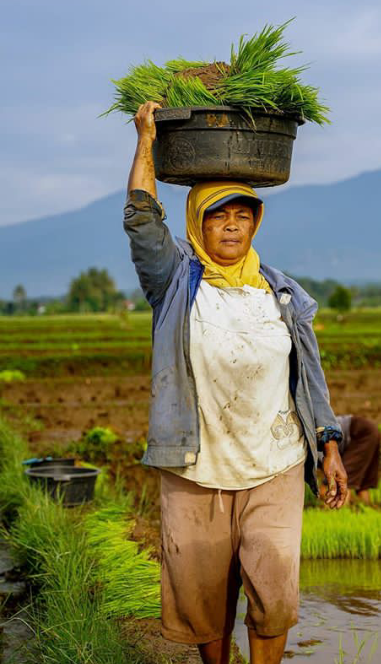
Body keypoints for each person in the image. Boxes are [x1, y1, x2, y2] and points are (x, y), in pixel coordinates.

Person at [123, 101, 348, 664]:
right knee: (204, 601)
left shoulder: (283, 293)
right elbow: (143, 220)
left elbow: (310, 377)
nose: (231, 225)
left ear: (256, 222)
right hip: (196, 467)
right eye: (219, 215)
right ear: (199, 221)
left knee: (274, 594)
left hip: (274, 462)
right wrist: (147, 140)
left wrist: (330, 444)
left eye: (243, 215)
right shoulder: (175, 283)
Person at [336, 415, 381, 504]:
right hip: (371, 430)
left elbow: (331, 468)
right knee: (363, 486)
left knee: (341, 482)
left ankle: (340, 513)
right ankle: (366, 511)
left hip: (359, 432)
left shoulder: (312, 446)